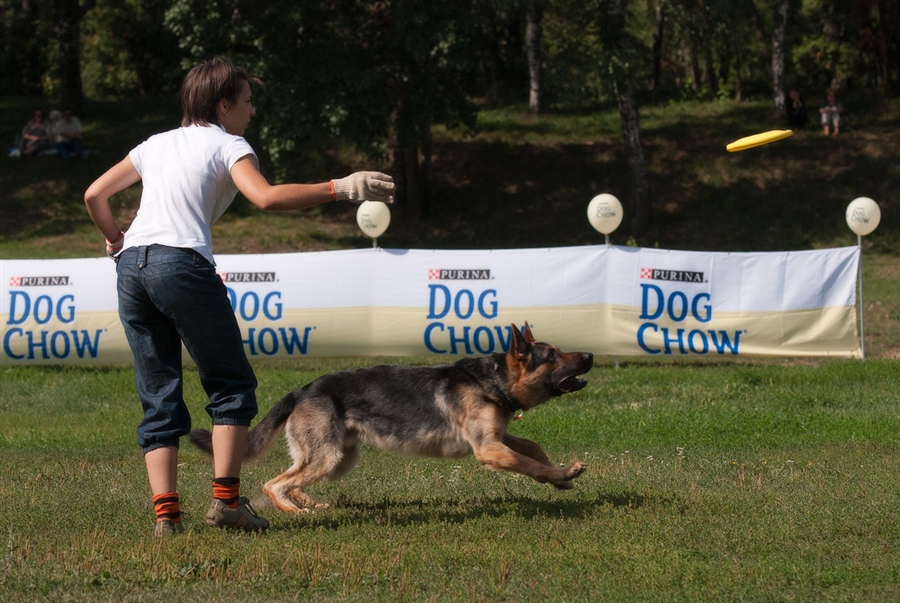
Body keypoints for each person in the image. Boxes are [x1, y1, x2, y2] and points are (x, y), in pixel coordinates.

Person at [83, 57, 394, 536]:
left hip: (132, 269)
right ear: (223, 105)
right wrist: (340, 187)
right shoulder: (228, 143)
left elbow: (94, 196)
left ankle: (167, 516)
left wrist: (116, 240)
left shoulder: (154, 144)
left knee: (159, 393)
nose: (251, 111)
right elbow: (265, 198)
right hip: (180, 264)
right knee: (230, 385)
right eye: (247, 102)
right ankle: (227, 504)